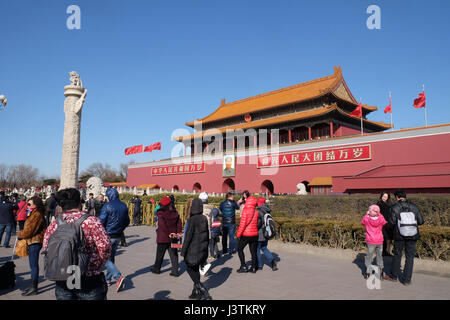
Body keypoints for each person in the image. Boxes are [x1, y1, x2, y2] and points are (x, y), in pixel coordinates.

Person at [43, 188, 111, 300]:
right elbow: (105, 247)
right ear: (80, 202)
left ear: (61, 205)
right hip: (88, 278)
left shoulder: (55, 223)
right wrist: (91, 265)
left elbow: (46, 247)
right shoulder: (91, 221)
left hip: (62, 275)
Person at [383, 189, 424, 285]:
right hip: (412, 235)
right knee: (410, 257)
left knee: (397, 255)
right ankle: (407, 280)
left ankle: (393, 276)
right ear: (405, 196)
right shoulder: (414, 207)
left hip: (399, 235)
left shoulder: (394, 207)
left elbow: (392, 223)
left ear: (397, 197)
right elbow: (421, 221)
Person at [99, 188, 130, 292]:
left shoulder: (107, 206)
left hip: (108, 235)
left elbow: (101, 220)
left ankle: (118, 276)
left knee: (104, 258)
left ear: (109, 196)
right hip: (118, 235)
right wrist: (120, 229)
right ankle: (107, 279)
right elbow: (127, 221)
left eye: (107, 196)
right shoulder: (123, 205)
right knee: (111, 257)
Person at [181, 198, 211, 300]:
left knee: (189, 267)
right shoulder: (204, 218)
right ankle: (196, 292)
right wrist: (206, 250)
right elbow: (207, 235)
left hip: (192, 250)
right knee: (195, 269)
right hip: (201, 249)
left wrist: (183, 251)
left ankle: (200, 288)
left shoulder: (192, 220)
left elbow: (188, 238)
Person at [17, 196, 47, 296]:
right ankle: (32, 286)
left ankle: (34, 287)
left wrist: (20, 234)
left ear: (36, 205)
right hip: (32, 241)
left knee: (33, 266)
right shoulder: (33, 213)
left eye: (29, 204)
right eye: (27, 204)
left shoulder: (37, 214)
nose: (27, 206)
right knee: (32, 265)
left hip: (35, 241)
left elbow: (30, 231)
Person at [152, 196, 182, 276]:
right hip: (173, 237)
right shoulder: (175, 212)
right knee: (174, 255)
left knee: (159, 255)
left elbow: (162, 225)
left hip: (163, 237)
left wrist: (168, 233)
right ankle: (175, 271)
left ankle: (156, 269)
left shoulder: (160, 213)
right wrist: (178, 233)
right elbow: (179, 224)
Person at [361, 204, 387, 280]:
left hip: (370, 240)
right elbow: (384, 223)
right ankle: (381, 271)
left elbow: (362, 223)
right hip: (379, 240)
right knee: (379, 256)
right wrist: (379, 213)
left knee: (369, 256)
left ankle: (368, 272)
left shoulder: (366, 218)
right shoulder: (381, 218)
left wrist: (367, 214)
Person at [236, 193, 259, 273]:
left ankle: (243, 266)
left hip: (246, 234)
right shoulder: (256, 211)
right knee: (253, 251)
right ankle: (253, 267)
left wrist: (238, 234)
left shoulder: (246, 210)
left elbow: (242, 224)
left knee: (239, 249)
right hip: (255, 234)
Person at [256, 197, 278, 271]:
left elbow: (258, 224)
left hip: (260, 234)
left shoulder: (259, 211)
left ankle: (259, 265)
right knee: (264, 248)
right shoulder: (267, 210)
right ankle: (272, 261)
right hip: (267, 233)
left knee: (257, 249)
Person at [377, 192, 393, 256]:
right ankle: (383, 252)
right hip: (382, 223)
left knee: (389, 238)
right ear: (381, 196)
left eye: (386, 197)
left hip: (388, 223)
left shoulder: (389, 204)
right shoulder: (379, 204)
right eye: (383, 196)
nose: (384, 198)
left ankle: (387, 252)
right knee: (384, 237)